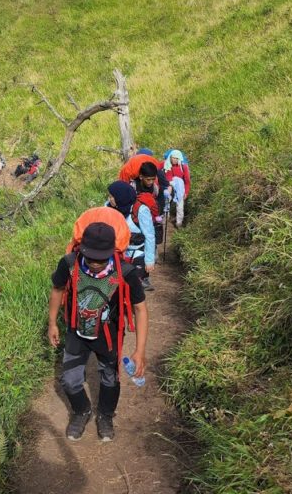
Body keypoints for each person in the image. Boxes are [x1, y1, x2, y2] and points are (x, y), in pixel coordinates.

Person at [48, 220, 148, 442]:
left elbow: (140, 309)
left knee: (110, 377)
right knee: (70, 379)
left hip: (109, 335)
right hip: (77, 330)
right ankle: (82, 411)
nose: (94, 263)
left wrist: (140, 350)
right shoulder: (69, 263)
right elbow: (58, 288)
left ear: (112, 251)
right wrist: (52, 323)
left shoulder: (126, 272)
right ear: (81, 249)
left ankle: (105, 415)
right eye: (90, 256)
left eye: (101, 258)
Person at [109, 180, 157, 291]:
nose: (109, 199)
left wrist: (149, 260)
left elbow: (150, 236)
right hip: (117, 253)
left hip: (137, 253)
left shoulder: (140, 210)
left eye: (112, 197)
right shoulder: (110, 208)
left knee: (134, 287)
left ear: (121, 197)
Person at [163, 149, 190, 228]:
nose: (174, 160)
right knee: (167, 201)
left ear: (179, 158)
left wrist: (186, 192)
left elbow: (187, 181)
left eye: (176, 158)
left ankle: (179, 223)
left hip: (180, 189)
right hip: (171, 186)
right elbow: (168, 178)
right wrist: (169, 188)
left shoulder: (184, 167)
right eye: (172, 158)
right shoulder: (168, 166)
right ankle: (166, 217)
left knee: (180, 206)